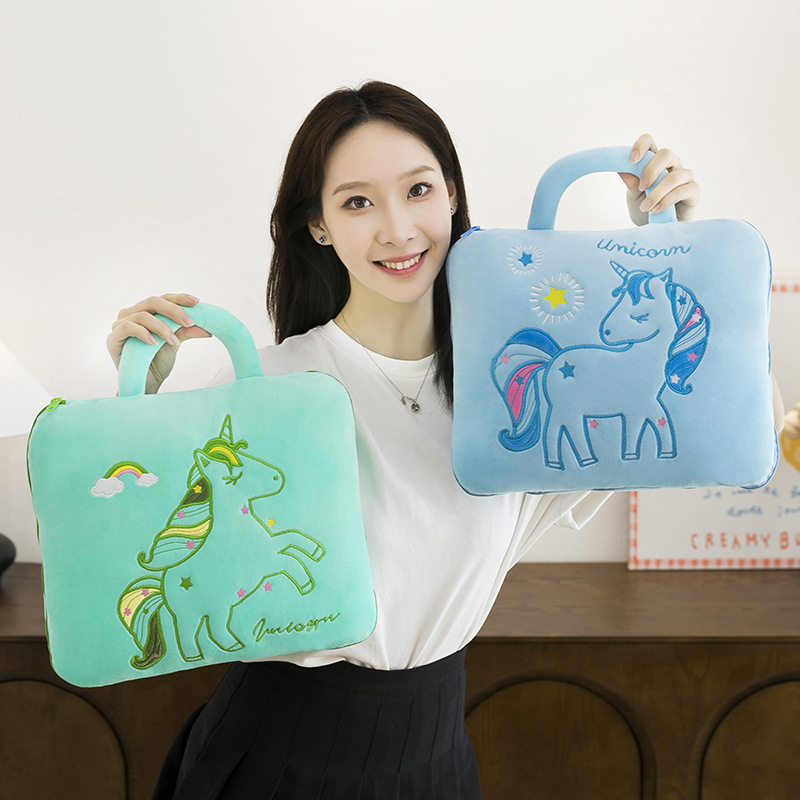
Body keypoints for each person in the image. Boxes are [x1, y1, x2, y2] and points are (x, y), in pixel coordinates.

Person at [107, 81, 702, 800]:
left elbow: (709, 424)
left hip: (436, 755)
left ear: (451, 195)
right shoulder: (265, 385)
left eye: (417, 189)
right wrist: (138, 408)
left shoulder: (515, 389)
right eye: (357, 202)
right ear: (318, 226)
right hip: (274, 755)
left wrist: (674, 250)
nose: (396, 229)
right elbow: (135, 554)